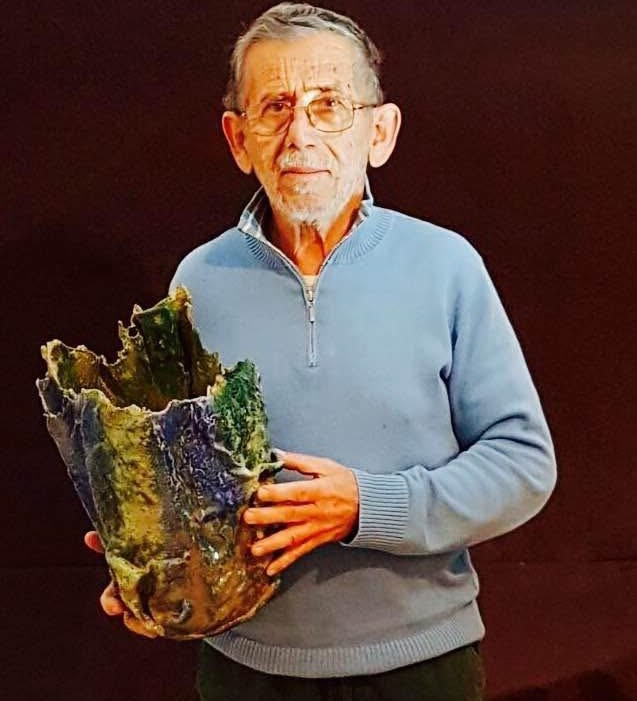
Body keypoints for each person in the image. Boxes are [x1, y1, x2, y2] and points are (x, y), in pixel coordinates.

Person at [84, 3, 557, 699]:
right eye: (274, 107)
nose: (299, 134)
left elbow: (522, 465)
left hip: (421, 664)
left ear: (379, 131)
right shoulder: (198, 281)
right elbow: (179, 475)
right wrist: (149, 561)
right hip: (245, 669)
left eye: (328, 105)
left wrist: (366, 506)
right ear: (238, 138)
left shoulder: (445, 266)